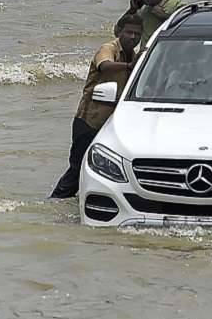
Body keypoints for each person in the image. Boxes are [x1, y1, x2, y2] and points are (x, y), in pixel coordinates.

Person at [50, 14, 144, 199]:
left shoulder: (133, 55)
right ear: (119, 31)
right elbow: (105, 66)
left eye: (137, 34)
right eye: (129, 32)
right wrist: (130, 66)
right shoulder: (108, 49)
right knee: (77, 169)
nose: (133, 37)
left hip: (112, 124)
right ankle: (54, 202)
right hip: (89, 120)